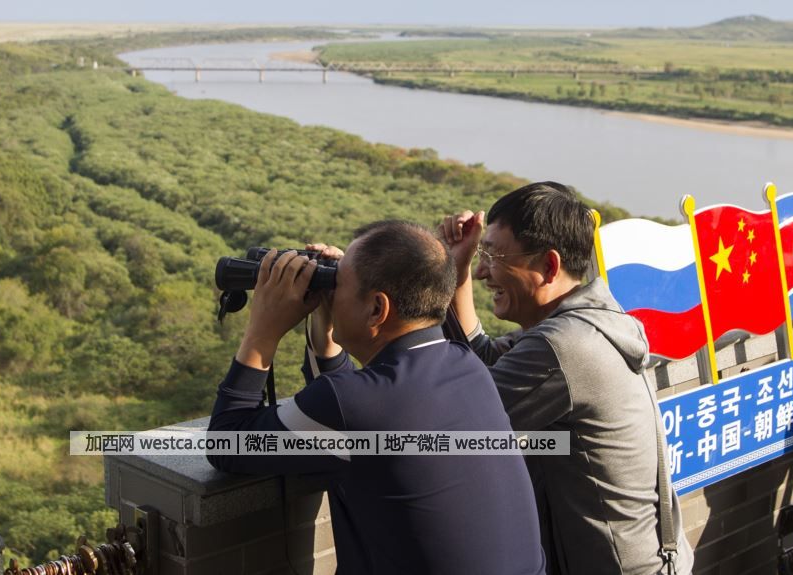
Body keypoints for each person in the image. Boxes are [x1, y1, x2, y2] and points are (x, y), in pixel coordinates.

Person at [207, 220, 545, 575]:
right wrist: (326, 325)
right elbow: (346, 407)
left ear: (377, 309)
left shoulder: (352, 403)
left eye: (338, 283)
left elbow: (228, 443)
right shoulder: (468, 365)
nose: (331, 291)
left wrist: (263, 328)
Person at [439, 181, 695, 575]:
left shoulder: (565, 346)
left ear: (548, 266)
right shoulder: (588, 320)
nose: (481, 271)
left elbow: (458, 423)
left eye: (493, 255)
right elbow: (485, 364)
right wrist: (456, 267)